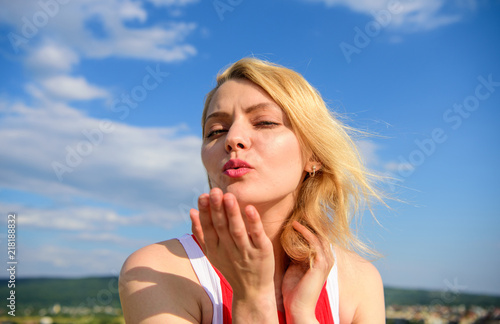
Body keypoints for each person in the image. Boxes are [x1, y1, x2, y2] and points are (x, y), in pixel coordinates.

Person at [119, 58, 386, 323]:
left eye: (264, 122)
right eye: (216, 130)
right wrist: (253, 300)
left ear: (313, 156)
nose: (233, 138)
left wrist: (303, 315)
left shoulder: (359, 280)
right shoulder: (156, 270)